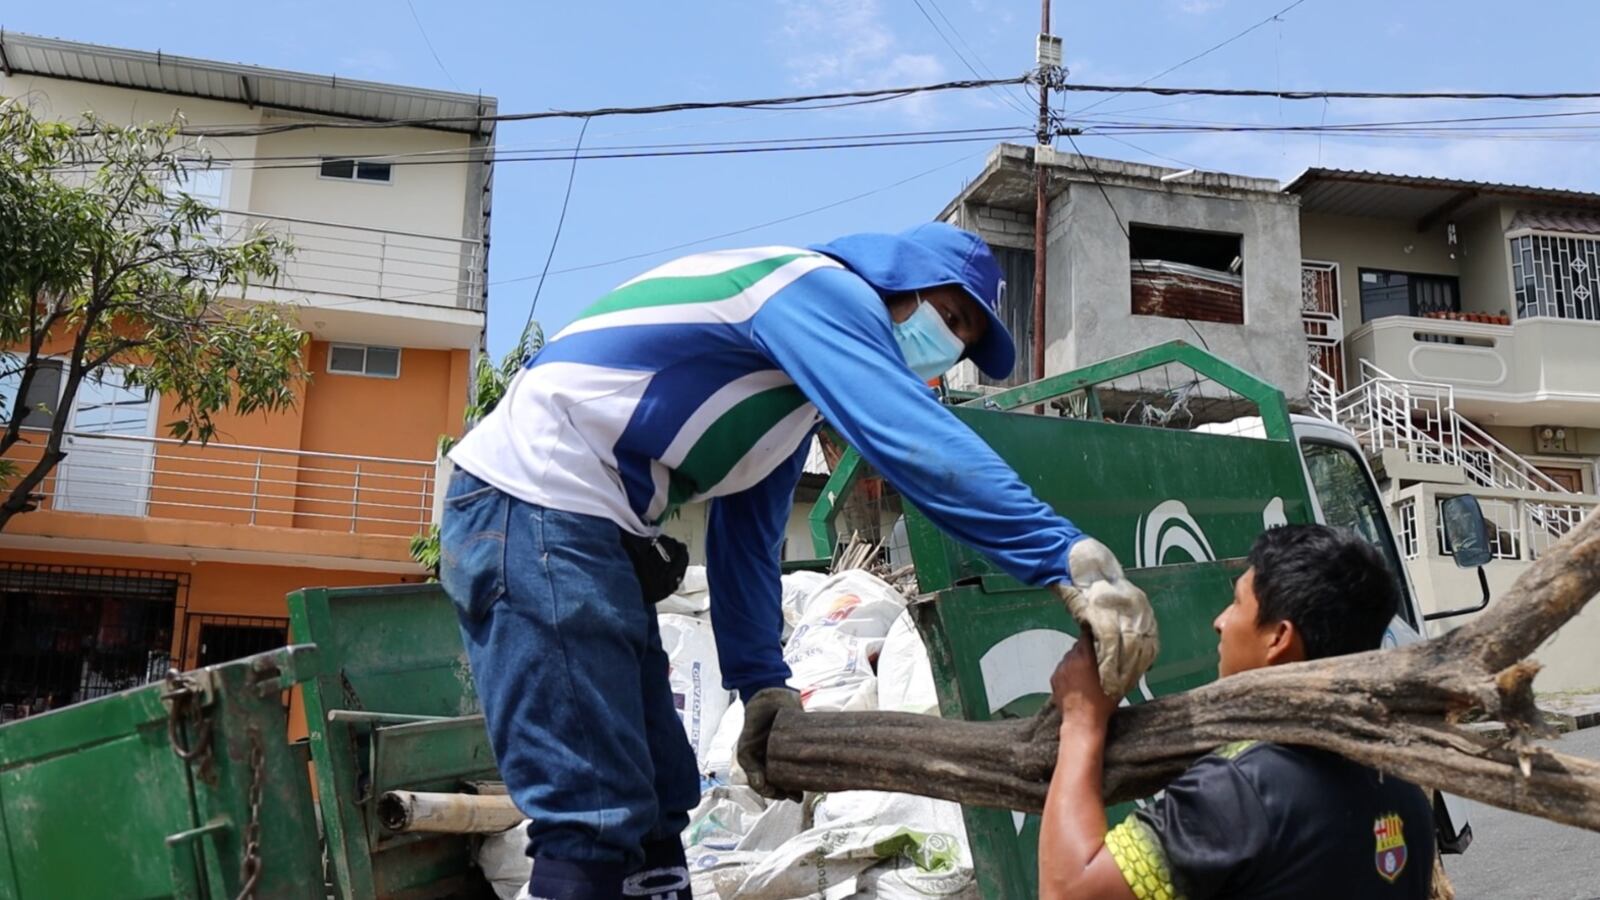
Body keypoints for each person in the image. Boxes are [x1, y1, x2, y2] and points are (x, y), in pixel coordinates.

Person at [441, 223, 1156, 900]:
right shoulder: (816, 291)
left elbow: (748, 537)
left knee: (660, 798)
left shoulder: (789, 396)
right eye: (952, 316)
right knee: (592, 808)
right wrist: (1068, 561)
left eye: (967, 339)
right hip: (534, 505)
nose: (953, 346)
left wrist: (762, 686)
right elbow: (914, 441)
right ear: (902, 282)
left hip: (583, 530)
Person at [1038, 523, 1435, 900]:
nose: (1220, 622)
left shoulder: (1244, 788)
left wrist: (1082, 720)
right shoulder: (1403, 786)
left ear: (1279, 638)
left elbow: (1069, 892)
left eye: (1236, 602)